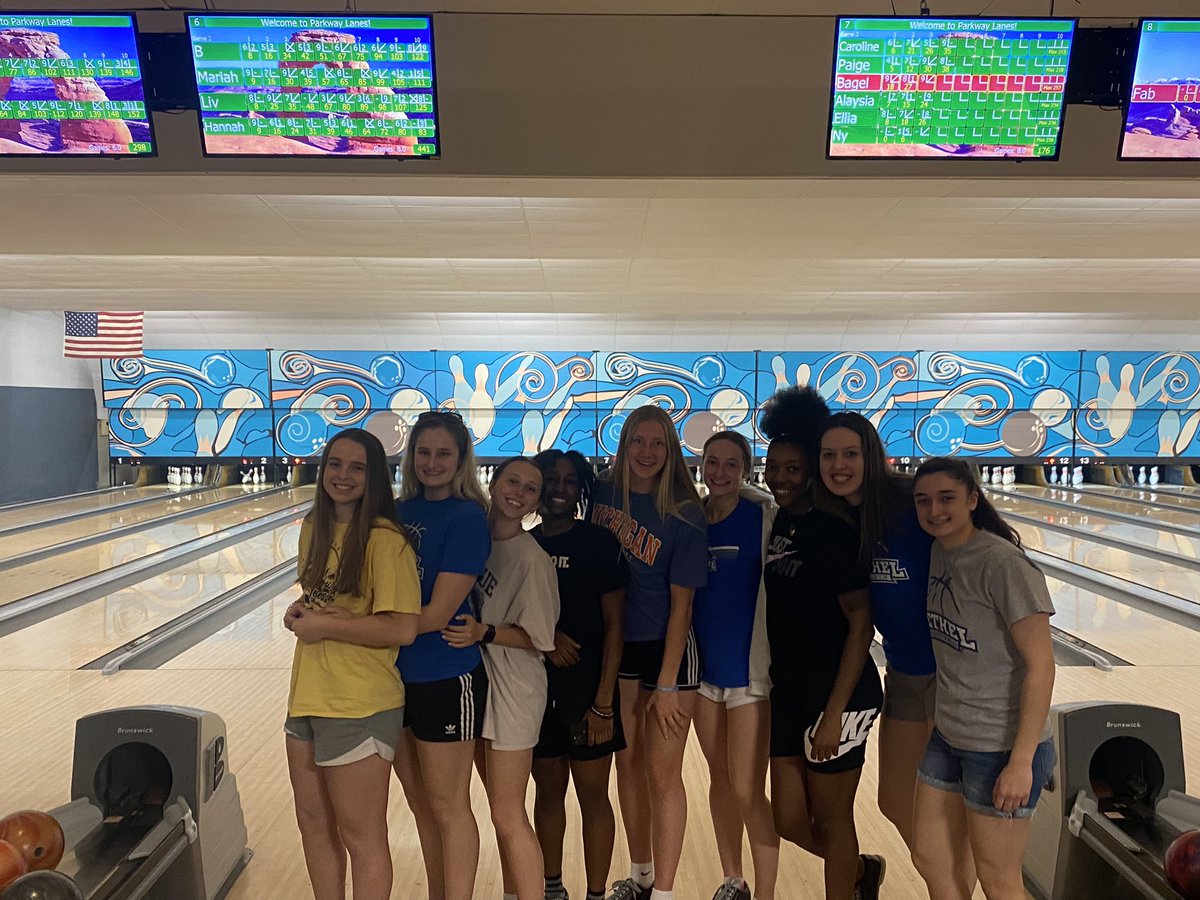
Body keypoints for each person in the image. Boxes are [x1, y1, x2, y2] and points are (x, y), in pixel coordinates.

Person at [283, 428, 422, 900]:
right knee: (313, 825)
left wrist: (327, 628)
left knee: (361, 836)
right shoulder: (312, 528)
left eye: (357, 467)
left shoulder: (387, 541)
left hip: (360, 703)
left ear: (375, 476)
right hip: (308, 696)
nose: (343, 475)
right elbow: (323, 597)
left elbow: (402, 628)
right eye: (335, 464)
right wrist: (302, 610)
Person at [757, 387, 884, 900]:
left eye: (793, 469)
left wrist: (833, 714)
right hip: (788, 690)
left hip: (839, 694)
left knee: (833, 821)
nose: (781, 478)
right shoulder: (781, 519)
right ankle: (857, 871)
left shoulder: (832, 530)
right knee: (787, 820)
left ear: (810, 470)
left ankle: (846, 882)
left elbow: (861, 624)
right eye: (773, 468)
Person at [910, 458, 1056, 900]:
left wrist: (1020, 763)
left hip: (1000, 746)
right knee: (930, 858)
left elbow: (1042, 666)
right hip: (950, 736)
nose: (934, 510)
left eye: (947, 498)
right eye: (923, 501)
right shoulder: (940, 550)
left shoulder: (1004, 564)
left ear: (973, 499)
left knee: (999, 881)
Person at [590, 405, 708, 900]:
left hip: (668, 653)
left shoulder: (684, 513)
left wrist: (665, 684)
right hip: (618, 650)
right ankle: (639, 875)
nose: (646, 452)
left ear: (671, 450)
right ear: (624, 444)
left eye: (657, 443)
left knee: (662, 774)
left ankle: (664, 890)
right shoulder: (601, 495)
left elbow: (682, 609)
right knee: (627, 764)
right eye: (638, 441)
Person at [815, 413, 936, 855]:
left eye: (850, 453)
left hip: (953, 677)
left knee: (952, 811)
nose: (839, 465)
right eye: (828, 455)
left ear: (872, 455)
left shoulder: (911, 504)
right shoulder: (842, 517)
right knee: (896, 801)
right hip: (904, 675)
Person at [442, 456, 560, 900]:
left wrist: (484, 632)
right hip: (478, 685)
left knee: (507, 814)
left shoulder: (533, 560)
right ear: (493, 482)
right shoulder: (475, 539)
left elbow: (542, 639)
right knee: (500, 811)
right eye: (513, 481)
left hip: (515, 692)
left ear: (536, 502)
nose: (520, 493)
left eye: (531, 489)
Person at [392, 410, 492, 900]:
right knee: (420, 805)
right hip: (393, 679)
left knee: (449, 805)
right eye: (424, 452)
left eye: (443, 454)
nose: (432, 462)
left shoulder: (468, 517)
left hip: (447, 677)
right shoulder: (394, 510)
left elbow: (436, 615)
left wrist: (355, 627)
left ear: (460, 461)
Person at [529, 449, 629, 900]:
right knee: (548, 794)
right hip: (534, 695)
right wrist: (546, 639)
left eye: (570, 481)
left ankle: (595, 893)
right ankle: (552, 889)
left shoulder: (598, 543)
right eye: (551, 479)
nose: (560, 488)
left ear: (580, 490)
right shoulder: (523, 545)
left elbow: (615, 625)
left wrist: (604, 702)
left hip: (590, 692)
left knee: (593, 797)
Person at [690, 430, 779, 900]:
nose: (720, 472)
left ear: (745, 469)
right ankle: (733, 880)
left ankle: (765, 892)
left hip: (751, 675)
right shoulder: (692, 518)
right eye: (712, 462)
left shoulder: (763, 515)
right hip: (703, 674)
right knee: (719, 779)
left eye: (730, 464)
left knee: (747, 789)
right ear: (701, 465)